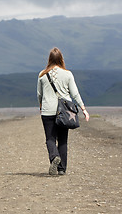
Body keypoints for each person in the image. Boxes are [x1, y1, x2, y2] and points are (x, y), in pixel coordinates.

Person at [37, 47, 90, 175]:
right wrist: (83, 109)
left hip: (47, 110)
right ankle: (61, 169)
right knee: (63, 139)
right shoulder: (68, 74)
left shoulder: (42, 75)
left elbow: (39, 94)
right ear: (61, 59)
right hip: (64, 111)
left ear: (49, 59)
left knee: (50, 138)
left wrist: (41, 107)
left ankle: (54, 157)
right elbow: (75, 94)